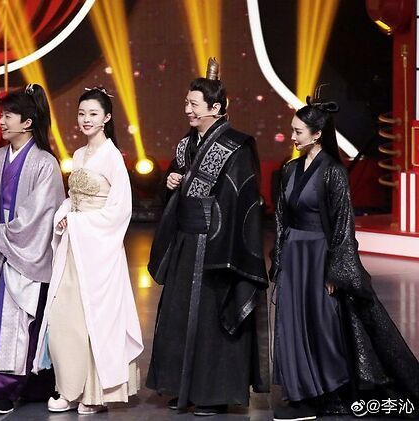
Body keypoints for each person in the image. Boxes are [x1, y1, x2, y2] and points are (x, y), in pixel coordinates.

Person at [271, 96, 419, 420]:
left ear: (317, 134)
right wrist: (280, 259)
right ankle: (300, 391)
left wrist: (335, 271)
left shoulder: (333, 171)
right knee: (292, 324)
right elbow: (281, 217)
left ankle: (330, 393)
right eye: (292, 130)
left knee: (322, 325)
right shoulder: (290, 169)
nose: (292, 137)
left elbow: (343, 225)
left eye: (298, 132)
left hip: (319, 257)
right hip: (294, 255)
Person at [147, 58, 270, 416]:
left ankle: (214, 394)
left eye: (193, 104)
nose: (187, 109)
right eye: (186, 103)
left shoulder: (236, 145)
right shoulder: (186, 145)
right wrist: (170, 183)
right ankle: (182, 387)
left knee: (211, 319)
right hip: (186, 242)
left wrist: (209, 218)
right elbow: (174, 185)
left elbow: (241, 200)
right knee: (179, 314)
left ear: (216, 109)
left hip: (218, 244)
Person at [33, 87, 144, 415]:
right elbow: (73, 200)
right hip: (74, 246)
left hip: (99, 252)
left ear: (107, 118)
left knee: (93, 318)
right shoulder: (80, 154)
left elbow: (120, 211)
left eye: (93, 114)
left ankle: (93, 394)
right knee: (62, 319)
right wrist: (64, 215)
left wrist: (79, 222)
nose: (86, 119)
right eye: (82, 114)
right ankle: (69, 388)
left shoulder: (112, 157)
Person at [0, 83, 65, 415]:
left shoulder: (45, 163)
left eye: (8, 116)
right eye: (2, 115)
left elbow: (40, 215)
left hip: (25, 251)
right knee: (8, 321)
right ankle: (27, 385)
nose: (2, 122)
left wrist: (2, 235)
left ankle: (3, 389)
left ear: (28, 122)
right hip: (3, 246)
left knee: (20, 322)